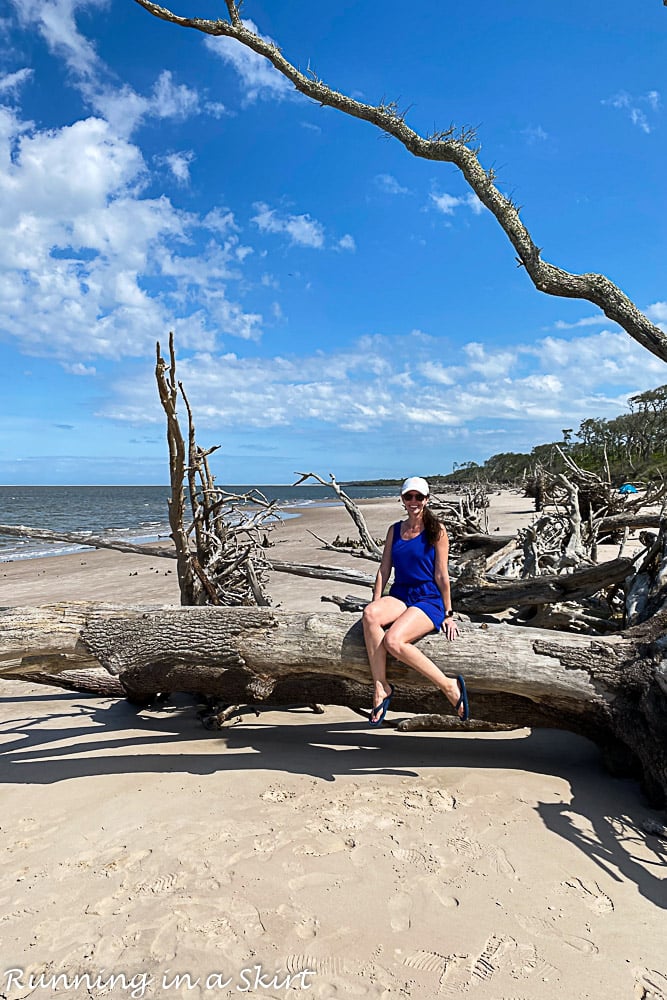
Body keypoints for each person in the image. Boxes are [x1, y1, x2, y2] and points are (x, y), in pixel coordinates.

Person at [362, 477, 469, 726]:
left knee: (394, 640)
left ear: (426, 500)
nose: (413, 501)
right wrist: (376, 603)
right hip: (401, 594)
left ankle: (448, 685)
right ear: (402, 499)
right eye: (409, 497)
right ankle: (381, 687)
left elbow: (442, 574)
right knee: (370, 614)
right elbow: (384, 569)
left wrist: (449, 612)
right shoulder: (395, 530)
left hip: (428, 598)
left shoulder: (436, 530)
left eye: (418, 497)